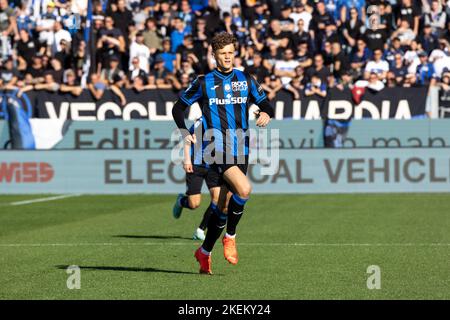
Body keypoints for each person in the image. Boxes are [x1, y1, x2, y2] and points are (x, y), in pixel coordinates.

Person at [172, 32, 273, 275]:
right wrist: (185, 132)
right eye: (223, 53)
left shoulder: (246, 79)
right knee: (245, 189)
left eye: (231, 53)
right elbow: (178, 108)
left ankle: (204, 252)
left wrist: (266, 113)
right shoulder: (203, 82)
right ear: (214, 55)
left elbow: (266, 103)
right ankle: (231, 236)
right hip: (215, 148)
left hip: (242, 148)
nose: (227, 57)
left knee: (224, 207)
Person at [172, 117, 221, 241]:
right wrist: (187, 159)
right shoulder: (202, 120)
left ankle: (200, 230)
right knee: (194, 204)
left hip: (214, 166)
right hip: (196, 164)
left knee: (217, 199)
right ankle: (182, 201)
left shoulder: (225, 118)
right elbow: (188, 138)